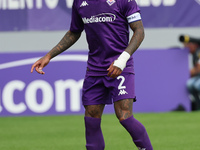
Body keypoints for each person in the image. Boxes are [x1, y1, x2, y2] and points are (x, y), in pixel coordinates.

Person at [31, 0, 153, 149]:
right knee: (91, 116)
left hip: (120, 66)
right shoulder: (79, 2)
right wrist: (49, 56)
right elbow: (74, 32)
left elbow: (139, 31)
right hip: (95, 69)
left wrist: (122, 60)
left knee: (124, 115)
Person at [180, 35, 200, 111]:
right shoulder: (194, 54)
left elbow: (198, 69)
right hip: (198, 77)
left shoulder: (198, 52)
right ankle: (198, 105)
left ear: (194, 45)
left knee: (198, 85)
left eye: (188, 45)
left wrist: (185, 73)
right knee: (190, 84)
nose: (186, 47)